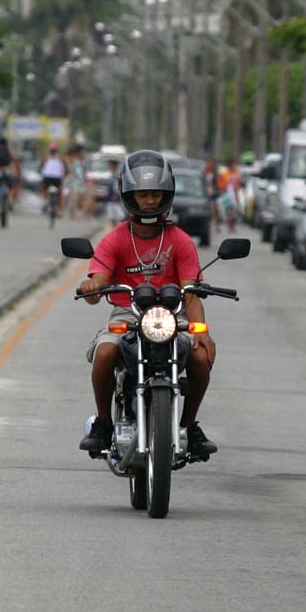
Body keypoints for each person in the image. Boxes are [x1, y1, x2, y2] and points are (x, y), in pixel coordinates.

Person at [77, 150, 218, 460]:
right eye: (143, 195)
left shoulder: (181, 240)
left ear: (166, 195)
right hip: (127, 313)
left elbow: (191, 292)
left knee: (199, 355)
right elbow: (97, 283)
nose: (150, 201)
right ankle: (103, 424)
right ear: (130, 195)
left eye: (156, 194)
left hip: (172, 315)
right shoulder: (114, 239)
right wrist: (92, 287)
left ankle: (188, 426)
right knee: (105, 353)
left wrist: (202, 331)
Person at [0, 137, 17, 219]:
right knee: (11, 186)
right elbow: (14, 161)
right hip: (7, 171)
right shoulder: (8, 151)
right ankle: (10, 200)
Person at [40, 142, 66, 218]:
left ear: (50, 150)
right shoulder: (61, 158)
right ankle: (59, 210)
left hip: (47, 177)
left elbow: (41, 167)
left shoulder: (46, 158)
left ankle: (45, 201)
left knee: (44, 188)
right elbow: (65, 168)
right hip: (57, 179)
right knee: (59, 192)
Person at [218, 157, 242, 233]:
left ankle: (233, 226)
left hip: (235, 193)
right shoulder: (224, 173)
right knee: (228, 210)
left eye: (235, 164)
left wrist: (237, 194)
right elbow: (220, 184)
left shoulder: (237, 173)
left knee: (234, 211)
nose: (234, 166)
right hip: (227, 194)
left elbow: (238, 184)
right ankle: (229, 226)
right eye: (233, 164)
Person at [201, 156, 221, 230]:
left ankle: (217, 225)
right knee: (207, 209)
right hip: (205, 193)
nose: (210, 164)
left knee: (215, 209)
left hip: (214, 193)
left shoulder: (216, 173)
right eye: (209, 163)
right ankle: (207, 224)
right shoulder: (204, 172)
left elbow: (218, 183)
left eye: (212, 163)